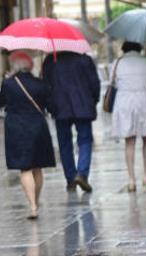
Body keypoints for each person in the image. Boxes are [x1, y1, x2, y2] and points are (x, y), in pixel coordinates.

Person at [0, 50, 56, 218]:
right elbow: (51, 106)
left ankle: (33, 206)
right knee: (38, 168)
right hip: (38, 127)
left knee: (25, 168)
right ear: (30, 65)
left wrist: (5, 81)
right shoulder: (41, 83)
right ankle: (36, 200)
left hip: (17, 129)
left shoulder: (9, 84)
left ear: (15, 65)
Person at [41, 51, 100, 193]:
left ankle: (70, 179)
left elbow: (46, 86)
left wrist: (50, 106)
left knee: (64, 143)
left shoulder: (50, 61)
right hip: (83, 106)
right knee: (85, 140)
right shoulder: (85, 59)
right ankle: (82, 174)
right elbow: (94, 83)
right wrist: (93, 100)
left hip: (60, 107)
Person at [111, 42, 146, 191]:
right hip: (144, 102)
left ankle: (131, 179)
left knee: (130, 141)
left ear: (124, 49)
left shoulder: (117, 62)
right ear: (139, 49)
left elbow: (112, 83)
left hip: (125, 103)